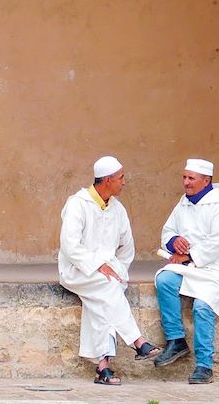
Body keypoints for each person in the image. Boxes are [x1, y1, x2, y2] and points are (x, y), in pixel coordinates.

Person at [58, 156, 160, 386]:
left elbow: (127, 247)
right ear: (106, 180)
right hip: (77, 270)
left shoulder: (118, 209)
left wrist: (118, 270)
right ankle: (137, 340)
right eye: (120, 177)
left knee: (104, 298)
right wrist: (97, 265)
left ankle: (102, 368)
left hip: (107, 275)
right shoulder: (78, 204)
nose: (124, 182)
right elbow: (70, 245)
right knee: (109, 288)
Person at [153, 158, 219, 384]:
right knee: (165, 279)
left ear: (206, 181)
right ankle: (176, 340)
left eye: (191, 178)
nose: (186, 182)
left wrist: (189, 255)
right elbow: (168, 231)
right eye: (184, 177)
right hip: (193, 266)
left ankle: (204, 365)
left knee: (202, 306)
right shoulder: (183, 203)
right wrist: (175, 242)